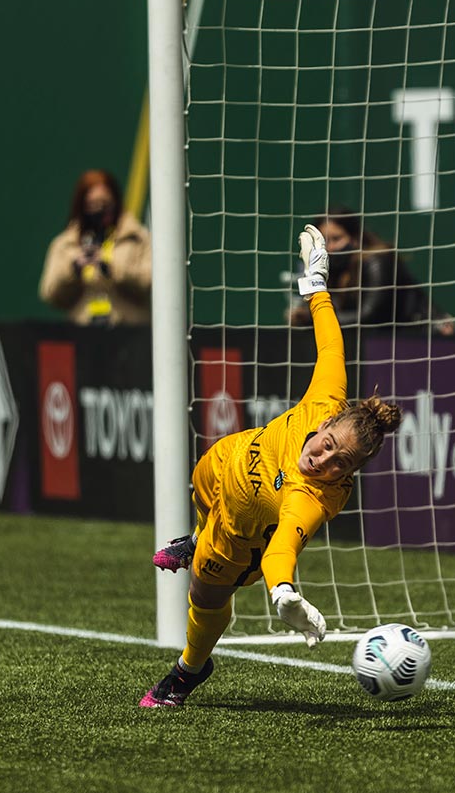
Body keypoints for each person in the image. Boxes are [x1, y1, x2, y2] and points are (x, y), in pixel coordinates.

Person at [141, 224, 403, 708]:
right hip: (219, 466)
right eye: (326, 444)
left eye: (336, 462)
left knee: (205, 595)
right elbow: (331, 345)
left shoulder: (315, 498)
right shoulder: (325, 400)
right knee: (200, 487)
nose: (320, 457)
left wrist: (283, 591)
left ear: (347, 474)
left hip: (240, 533)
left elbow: (283, 545)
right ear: (326, 423)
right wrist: (317, 283)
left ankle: (187, 672)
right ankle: (196, 538)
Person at [288, 206, 455, 336]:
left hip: (425, 337)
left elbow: (370, 316)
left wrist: (315, 318)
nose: (330, 247)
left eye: (337, 239)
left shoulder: (377, 260)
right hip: (381, 343)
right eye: (324, 241)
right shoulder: (331, 268)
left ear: (355, 238)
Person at [39, 169, 152, 326]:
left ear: (116, 202)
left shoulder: (138, 238)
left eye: (105, 204)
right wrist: (73, 270)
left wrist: (110, 267)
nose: (99, 210)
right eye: (92, 205)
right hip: (83, 336)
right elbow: (49, 293)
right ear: (81, 206)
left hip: (129, 335)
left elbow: (150, 284)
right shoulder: (66, 244)